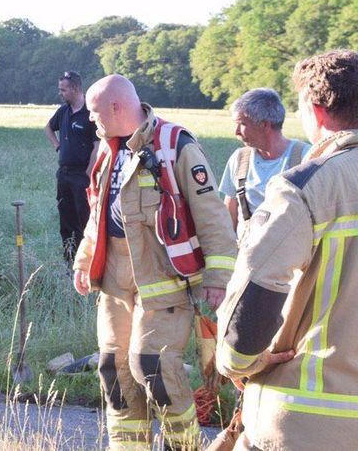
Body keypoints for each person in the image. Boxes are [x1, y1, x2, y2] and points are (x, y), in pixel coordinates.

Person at [73, 74, 236, 450]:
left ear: (115, 107)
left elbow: (211, 212)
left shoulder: (175, 144)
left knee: (154, 366)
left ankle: (184, 446)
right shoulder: (106, 149)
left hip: (163, 280)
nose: (91, 121)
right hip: (114, 279)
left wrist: (217, 275)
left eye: (95, 113)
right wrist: (84, 262)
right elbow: (98, 212)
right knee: (114, 370)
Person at [216, 50, 358, 450]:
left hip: (309, 420)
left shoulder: (306, 185)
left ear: (317, 111)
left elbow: (259, 285)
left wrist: (237, 361)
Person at [217, 88, 310, 237]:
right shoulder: (239, 159)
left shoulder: (305, 158)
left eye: (242, 124)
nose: (236, 132)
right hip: (246, 253)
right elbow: (230, 211)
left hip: (290, 255)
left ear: (264, 125)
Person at [44, 71, 99, 265]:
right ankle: (69, 260)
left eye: (63, 89)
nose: (60, 93)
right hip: (64, 174)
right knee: (65, 218)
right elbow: (48, 128)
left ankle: (88, 262)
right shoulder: (63, 111)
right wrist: (57, 145)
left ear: (75, 89)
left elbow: (97, 145)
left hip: (81, 175)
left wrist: (89, 172)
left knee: (84, 219)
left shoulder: (91, 113)